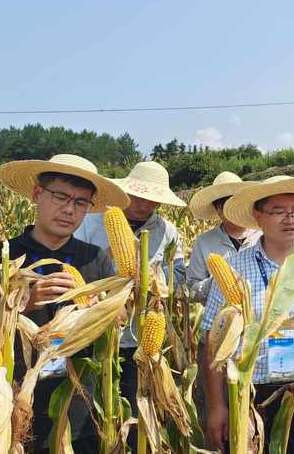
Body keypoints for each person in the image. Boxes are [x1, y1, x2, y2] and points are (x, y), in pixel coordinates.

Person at [201, 175, 294, 453]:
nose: (290, 219)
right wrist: (217, 406)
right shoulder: (232, 269)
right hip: (249, 393)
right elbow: (213, 341)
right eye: (279, 211)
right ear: (258, 216)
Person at [0, 154, 129, 454]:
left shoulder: (96, 258)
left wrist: (100, 309)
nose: (69, 209)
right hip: (17, 405)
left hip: (82, 407)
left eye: (81, 203)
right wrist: (21, 305)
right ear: (37, 194)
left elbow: (120, 317)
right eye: (61, 196)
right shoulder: (0, 257)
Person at [74, 160, 187, 433]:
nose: (145, 205)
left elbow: (179, 275)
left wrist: (154, 282)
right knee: (94, 415)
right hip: (97, 337)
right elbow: (76, 269)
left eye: (153, 200)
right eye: (140, 196)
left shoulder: (167, 231)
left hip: (141, 342)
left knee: (136, 416)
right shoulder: (92, 221)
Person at [187, 171, 261, 303]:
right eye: (226, 207)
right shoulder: (203, 242)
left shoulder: (263, 235)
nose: (233, 212)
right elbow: (192, 289)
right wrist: (215, 282)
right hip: (219, 318)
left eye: (237, 206)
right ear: (218, 210)